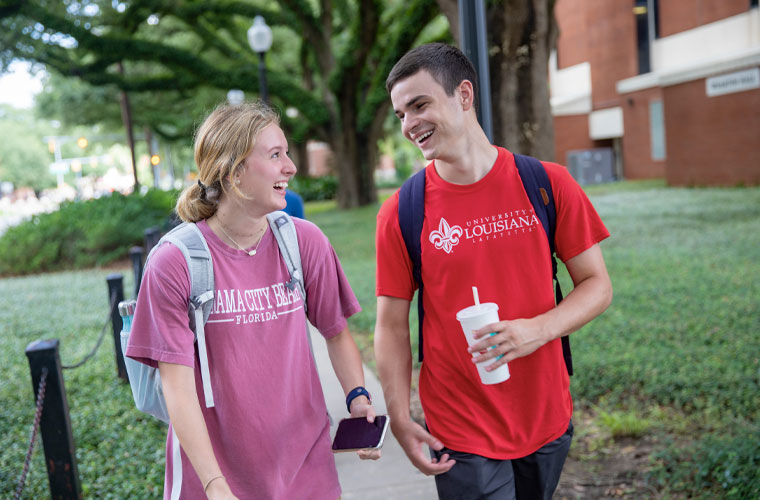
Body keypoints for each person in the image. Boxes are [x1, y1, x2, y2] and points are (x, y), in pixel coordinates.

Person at [374, 43, 613, 499]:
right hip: (460, 427)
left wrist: (537, 330)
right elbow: (389, 324)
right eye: (400, 114)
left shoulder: (547, 184)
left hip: (545, 414)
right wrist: (399, 415)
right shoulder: (402, 211)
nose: (409, 125)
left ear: (464, 95)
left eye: (419, 105)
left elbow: (597, 285)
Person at [126, 101, 378, 500]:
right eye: (275, 155)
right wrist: (214, 485)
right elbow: (177, 388)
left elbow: (336, 332)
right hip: (216, 479)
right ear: (232, 170)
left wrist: (357, 397)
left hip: (306, 470)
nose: (291, 167)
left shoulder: (303, 241)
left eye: (287, 153)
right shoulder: (174, 262)